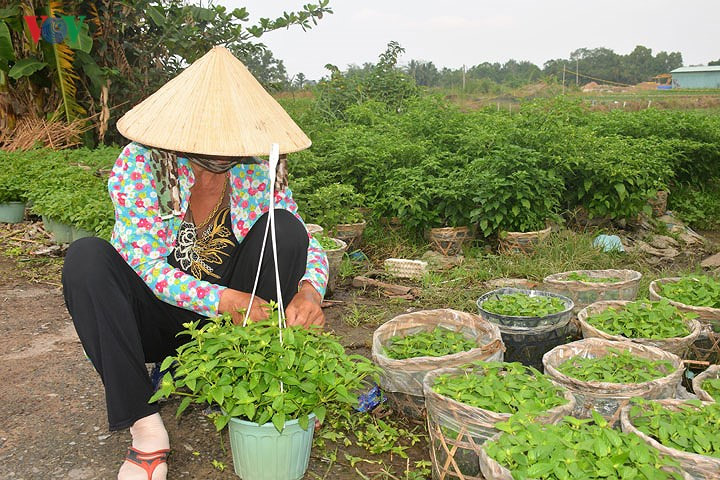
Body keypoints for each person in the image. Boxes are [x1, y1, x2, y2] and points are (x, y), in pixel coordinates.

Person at [61, 46, 328, 480]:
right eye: (210, 140)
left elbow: (307, 242)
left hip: (230, 322)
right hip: (157, 316)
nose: (222, 154)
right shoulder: (143, 164)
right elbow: (144, 264)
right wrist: (222, 299)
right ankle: (146, 428)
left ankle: (256, 374)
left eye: (231, 142)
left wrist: (309, 289)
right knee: (85, 259)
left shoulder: (256, 173)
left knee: (286, 229)